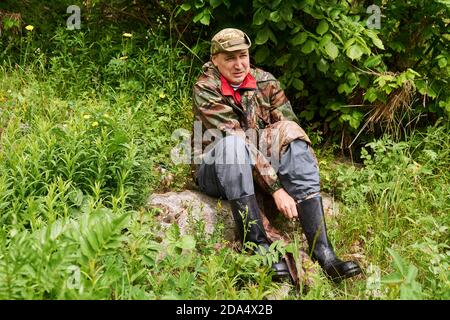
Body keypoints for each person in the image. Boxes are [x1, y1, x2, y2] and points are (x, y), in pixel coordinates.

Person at [191, 28, 361, 282]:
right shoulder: (206, 87)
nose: (239, 65)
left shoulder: (265, 81)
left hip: (258, 164)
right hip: (216, 169)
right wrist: (275, 189)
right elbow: (235, 137)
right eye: (230, 58)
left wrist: (284, 179)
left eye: (243, 56)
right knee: (233, 145)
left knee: (291, 131)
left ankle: (322, 251)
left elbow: (287, 133)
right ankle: (258, 246)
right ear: (215, 59)